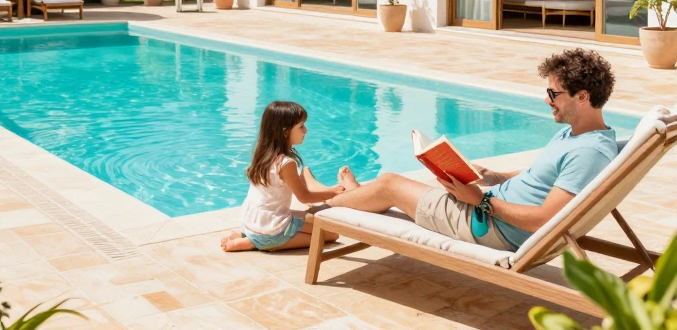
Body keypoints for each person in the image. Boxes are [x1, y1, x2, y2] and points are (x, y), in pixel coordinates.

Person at [328, 49, 618, 252]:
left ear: (582, 97)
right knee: (415, 183)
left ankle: (321, 209)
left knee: (389, 184)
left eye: (553, 94)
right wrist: (496, 176)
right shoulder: (580, 135)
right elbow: (541, 177)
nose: (546, 99)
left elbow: (545, 220)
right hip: (487, 208)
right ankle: (352, 193)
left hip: (488, 224)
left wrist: (480, 201)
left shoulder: (588, 152)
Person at [221, 101, 343, 252]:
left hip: (249, 221)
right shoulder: (286, 163)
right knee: (331, 234)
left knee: (307, 217)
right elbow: (304, 197)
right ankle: (255, 243)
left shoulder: (263, 155)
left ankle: (246, 235)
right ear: (285, 131)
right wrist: (333, 192)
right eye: (301, 126)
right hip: (270, 230)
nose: (305, 131)